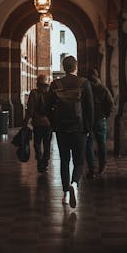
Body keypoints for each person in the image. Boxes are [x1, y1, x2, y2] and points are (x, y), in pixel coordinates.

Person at [46, 55, 94, 208]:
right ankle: (74, 183)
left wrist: (54, 122)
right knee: (79, 161)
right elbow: (90, 108)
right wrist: (88, 128)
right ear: (76, 67)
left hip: (61, 129)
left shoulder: (55, 84)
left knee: (64, 161)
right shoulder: (84, 83)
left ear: (63, 67)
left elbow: (46, 107)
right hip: (79, 129)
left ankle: (66, 193)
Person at [86, 67, 114, 178]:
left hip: (90, 120)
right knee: (101, 144)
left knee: (89, 144)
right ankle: (102, 166)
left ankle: (92, 168)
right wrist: (105, 115)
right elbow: (110, 104)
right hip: (100, 120)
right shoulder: (103, 88)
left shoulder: (87, 89)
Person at [23, 74, 52, 173]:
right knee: (47, 144)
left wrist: (25, 122)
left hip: (37, 123)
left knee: (37, 143)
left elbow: (30, 110)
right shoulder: (50, 94)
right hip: (48, 123)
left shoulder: (34, 93)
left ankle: (40, 160)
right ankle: (46, 162)